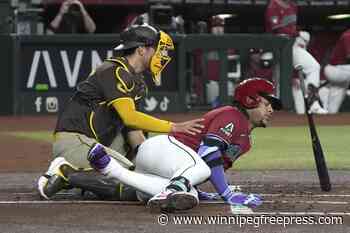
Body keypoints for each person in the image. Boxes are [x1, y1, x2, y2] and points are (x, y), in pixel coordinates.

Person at [37, 24, 203, 200]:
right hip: (75, 141)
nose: (162, 56)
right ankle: (66, 172)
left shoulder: (136, 82)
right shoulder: (113, 71)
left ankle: (84, 178)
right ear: (141, 50)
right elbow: (130, 117)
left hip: (94, 144)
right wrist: (174, 127)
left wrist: (153, 164)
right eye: (157, 50)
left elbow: (134, 132)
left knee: (140, 172)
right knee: (135, 186)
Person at [88, 78, 282, 212]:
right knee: (202, 168)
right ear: (249, 100)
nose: (271, 110)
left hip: (165, 165)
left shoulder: (245, 140)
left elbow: (213, 164)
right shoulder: (232, 115)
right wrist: (226, 193)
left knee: (188, 197)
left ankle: (110, 168)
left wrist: (196, 189)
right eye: (267, 104)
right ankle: (171, 190)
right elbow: (208, 154)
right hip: (161, 148)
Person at [265, 0, 327, 114]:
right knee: (278, 80)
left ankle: (313, 103)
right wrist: (298, 34)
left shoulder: (293, 5)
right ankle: (275, 112)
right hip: (277, 45)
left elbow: (291, 28)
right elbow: (277, 29)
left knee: (313, 66)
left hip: (291, 45)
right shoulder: (274, 5)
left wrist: (297, 34)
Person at [324, 29, 350, 113]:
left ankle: (329, 121)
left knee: (333, 108)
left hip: (342, 72)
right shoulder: (348, 35)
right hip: (335, 70)